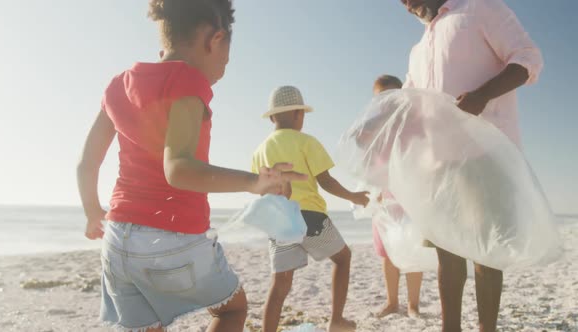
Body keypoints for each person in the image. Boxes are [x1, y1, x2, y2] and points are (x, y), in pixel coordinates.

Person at [76, 1, 305, 331]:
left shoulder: (118, 85)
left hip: (117, 241)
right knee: (231, 310)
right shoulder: (188, 79)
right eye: (225, 58)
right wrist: (255, 182)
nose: (222, 69)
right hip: (172, 237)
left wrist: (91, 211)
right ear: (215, 39)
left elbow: (87, 163)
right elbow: (178, 169)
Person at [400, 0, 543, 331]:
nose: (405, 4)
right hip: (436, 163)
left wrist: (482, 96)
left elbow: (528, 57)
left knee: (486, 252)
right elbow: (410, 101)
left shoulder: (481, 8)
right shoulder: (418, 49)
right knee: (447, 252)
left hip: (486, 154)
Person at [252, 86, 370, 332]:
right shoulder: (306, 141)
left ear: (273, 117)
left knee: (280, 283)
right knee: (343, 258)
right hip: (310, 217)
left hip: (279, 221)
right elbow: (326, 181)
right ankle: (337, 320)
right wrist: (353, 196)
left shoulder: (260, 150)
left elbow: (259, 190)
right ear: (299, 115)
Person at [371, 75, 423, 319]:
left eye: (392, 95)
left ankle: (413, 305)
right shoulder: (375, 127)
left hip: (411, 195)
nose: (388, 101)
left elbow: (421, 156)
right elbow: (371, 163)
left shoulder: (411, 122)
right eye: (382, 97)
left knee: (414, 250)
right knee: (387, 251)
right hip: (386, 197)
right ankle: (392, 302)